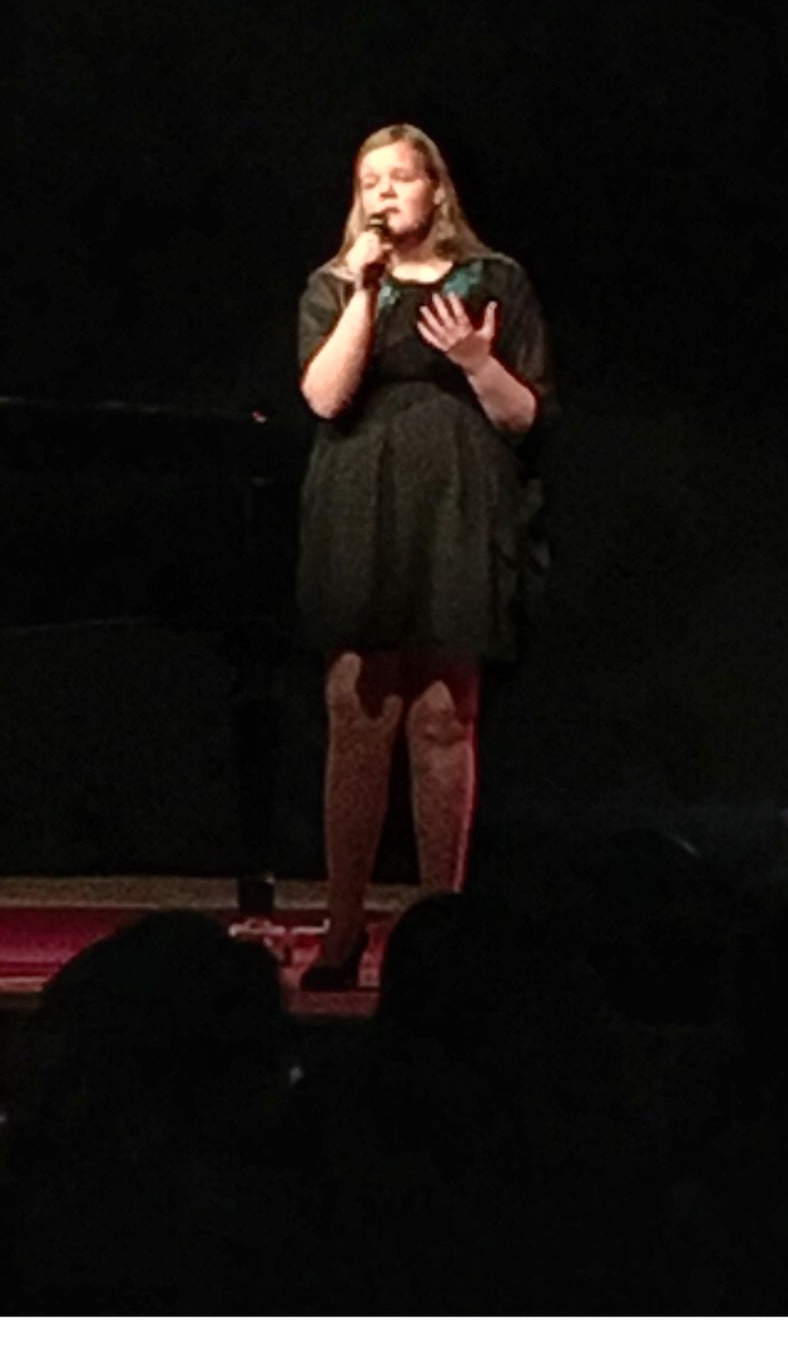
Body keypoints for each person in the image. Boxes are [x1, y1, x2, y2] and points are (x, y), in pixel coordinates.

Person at [295, 123, 553, 986]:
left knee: (444, 716)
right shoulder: (335, 284)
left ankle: (444, 929)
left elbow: (522, 416)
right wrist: (367, 292)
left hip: (457, 508)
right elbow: (326, 397)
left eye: (400, 178)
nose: (383, 193)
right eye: (369, 181)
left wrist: (477, 360)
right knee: (357, 714)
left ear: (436, 190)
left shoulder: (495, 281)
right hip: (361, 507)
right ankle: (342, 929)